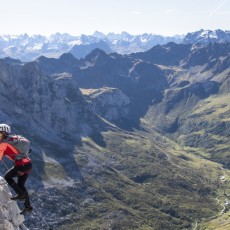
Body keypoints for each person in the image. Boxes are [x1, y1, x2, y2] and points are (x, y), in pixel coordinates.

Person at [0, 123, 33, 215]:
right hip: (27, 164)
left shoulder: (3, 143)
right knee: (21, 185)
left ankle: (21, 195)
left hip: (21, 165)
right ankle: (28, 207)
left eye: (0, 134)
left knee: (7, 177)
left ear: (4, 134)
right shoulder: (13, 139)